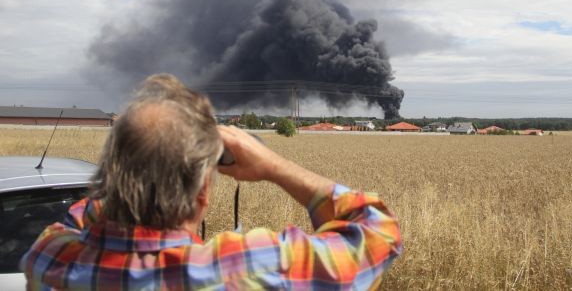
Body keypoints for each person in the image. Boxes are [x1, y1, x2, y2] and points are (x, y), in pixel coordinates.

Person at [21, 74, 402, 290]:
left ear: (112, 174)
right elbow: (376, 233)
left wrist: (140, 158)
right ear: (202, 192)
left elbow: (82, 214)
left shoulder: (50, 257)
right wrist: (274, 165)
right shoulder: (244, 267)